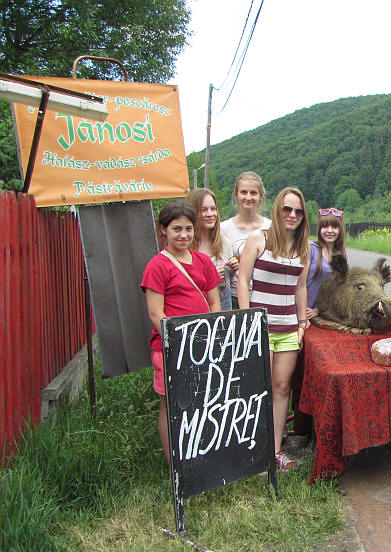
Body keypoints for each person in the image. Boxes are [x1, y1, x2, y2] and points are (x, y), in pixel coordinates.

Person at [141, 199, 221, 465]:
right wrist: (180, 342)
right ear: (163, 229)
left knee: (202, 401)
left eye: (188, 229)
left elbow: (214, 303)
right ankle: (174, 463)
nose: (184, 235)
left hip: (203, 346)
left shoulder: (203, 262)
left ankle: (200, 454)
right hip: (171, 347)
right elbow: (156, 313)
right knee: (172, 404)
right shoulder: (157, 266)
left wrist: (210, 337)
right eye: (177, 229)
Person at [238, 187, 310, 471]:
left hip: (289, 328)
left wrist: (302, 323)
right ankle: (253, 448)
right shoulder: (260, 239)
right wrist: (249, 319)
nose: (292, 215)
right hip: (261, 327)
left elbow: (300, 288)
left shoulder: (304, 248)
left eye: (298, 211)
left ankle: (276, 450)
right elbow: (243, 280)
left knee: (282, 388)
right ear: (278, 209)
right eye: (287, 209)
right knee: (259, 388)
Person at [220, 171, 271, 309]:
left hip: (264, 298)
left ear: (260, 196)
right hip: (233, 298)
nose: (248, 197)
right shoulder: (223, 229)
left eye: (253, 193)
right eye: (243, 192)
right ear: (236, 194)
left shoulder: (271, 227)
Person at [188, 188, 237, 311]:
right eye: (203, 210)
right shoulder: (186, 246)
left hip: (224, 310)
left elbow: (228, 284)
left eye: (213, 209)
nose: (210, 214)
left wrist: (232, 271)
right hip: (198, 311)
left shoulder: (224, 243)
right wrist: (209, 276)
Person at [306, 207, 346, 318]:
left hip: (321, 315)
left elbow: (337, 292)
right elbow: (300, 284)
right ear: (319, 228)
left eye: (334, 227)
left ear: (340, 230)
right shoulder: (310, 248)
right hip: (302, 312)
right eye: (325, 226)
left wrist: (319, 310)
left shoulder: (340, 256)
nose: (329, 230)